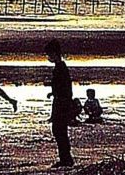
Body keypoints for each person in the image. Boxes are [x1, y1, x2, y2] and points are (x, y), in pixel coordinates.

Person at [45, 39, 76, 169]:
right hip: (61, 101)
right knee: (59, 130)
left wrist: (56, 93)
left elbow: (64, 87)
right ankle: (65, 158)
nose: (48, 57)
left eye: (49, 55)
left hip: (62, 103)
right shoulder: (60, 67)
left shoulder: (60, 68)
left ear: (54, 53)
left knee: (59, 130)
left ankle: (66, 158)